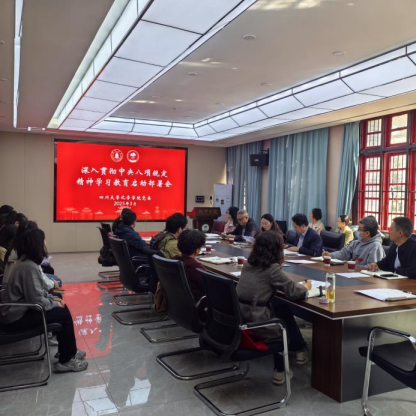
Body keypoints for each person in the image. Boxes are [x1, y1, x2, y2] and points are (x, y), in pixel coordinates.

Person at [0, 228, 88, 372]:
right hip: (14, 319)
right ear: (37, 244)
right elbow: (36, 301)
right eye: (43, 240)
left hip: (20, 310)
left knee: (62, 307)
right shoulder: (29, 267)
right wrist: (53, 303)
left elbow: (35, 292)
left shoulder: (26, 262)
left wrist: (53, 299)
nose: (45, 243)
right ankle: (66, 360)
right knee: (63, 314)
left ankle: (66, 350)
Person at [236, 231, 314, 386]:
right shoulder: (272, 270)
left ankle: (299, 348)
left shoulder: (248, 264)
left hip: (239, 315)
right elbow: (294, 292)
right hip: (255, 320)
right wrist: (306, 287)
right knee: (281, 325)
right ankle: (280, 371)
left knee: (282, 307)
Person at [176, 229, 207, 302]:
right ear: (197, 250)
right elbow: (208, 287)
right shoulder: (195, 266)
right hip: (199, 303)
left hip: (178, 301)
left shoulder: (174, 260)